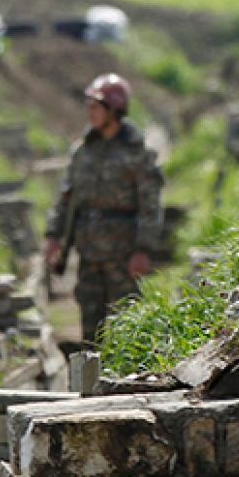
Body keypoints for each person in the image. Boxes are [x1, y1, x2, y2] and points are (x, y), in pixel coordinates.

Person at [45, 73, 165, 344]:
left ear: (115, 109)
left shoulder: (139, 152)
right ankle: (89, 381)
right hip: (88, 256)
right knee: (90, 329)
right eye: (89, 106)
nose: (90, 112)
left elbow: (150, 204)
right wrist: (54, 237)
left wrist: (143, 250)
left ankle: (126, 383)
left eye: (96, 106)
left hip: (123, 256)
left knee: (127, 325)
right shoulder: (84, 150)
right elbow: (67, 197)